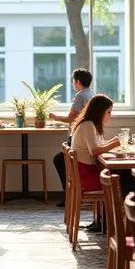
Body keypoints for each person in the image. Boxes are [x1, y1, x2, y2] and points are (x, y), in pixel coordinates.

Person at [49, 68, 95, 206]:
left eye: (73, 81)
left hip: (79, 136)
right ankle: (73, 193)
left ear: (77, 81)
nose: (72, 84)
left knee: (60, 160)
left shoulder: (80, 96)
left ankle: (71, 194)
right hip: (88, 136)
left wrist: (55, 117)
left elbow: (71, 117)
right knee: (61, 160)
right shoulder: (91, 94)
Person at [71, 95, 120, 191]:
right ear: (100, 112)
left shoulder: (91, 124)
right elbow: (94, 151)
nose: (110, 115)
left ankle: (112, 205)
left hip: (87, 171)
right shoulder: (88, 125)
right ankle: (117, 205)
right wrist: (113, 145)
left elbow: (97, 144)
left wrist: (111, 141)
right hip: (86, 175)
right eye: (108, 112)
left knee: (122, 175)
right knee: (124, 178)